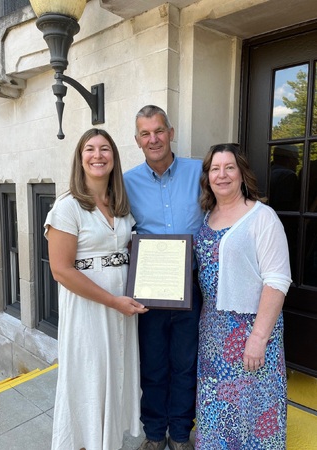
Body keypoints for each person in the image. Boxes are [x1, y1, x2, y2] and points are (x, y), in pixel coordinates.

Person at [44, 128, 148, 450]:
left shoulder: (119, 204)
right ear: (80, 158)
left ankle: (108, 443)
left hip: (121, 307)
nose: (98, 155)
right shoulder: (68, 207)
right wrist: (113, 301)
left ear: (114, 159)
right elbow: (61, 270)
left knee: (115, 376)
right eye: (90, 149)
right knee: (89, 380)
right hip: (89, 310)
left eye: (105, 149)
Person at [194, 143, 292, 449]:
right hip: (213, 331)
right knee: (217, 409)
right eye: (215, 169)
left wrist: (258, 338)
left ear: (241, 174)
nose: (222, 175)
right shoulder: (207, 215)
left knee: (251, 411)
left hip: (250, 330)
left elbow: (277, 280)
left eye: (229, 167)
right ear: (207, 177)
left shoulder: (262, 217)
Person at [124, 105, 204, 450]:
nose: (153, 139)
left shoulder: (200, 171)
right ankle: (156, 434)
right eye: (146, 133)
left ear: (170, 132)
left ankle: (181, 434)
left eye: (159, 131)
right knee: (153, 365)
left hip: (192, 286)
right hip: (149, 290)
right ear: (138, 140)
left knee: (186, 364)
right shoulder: (126, 181)